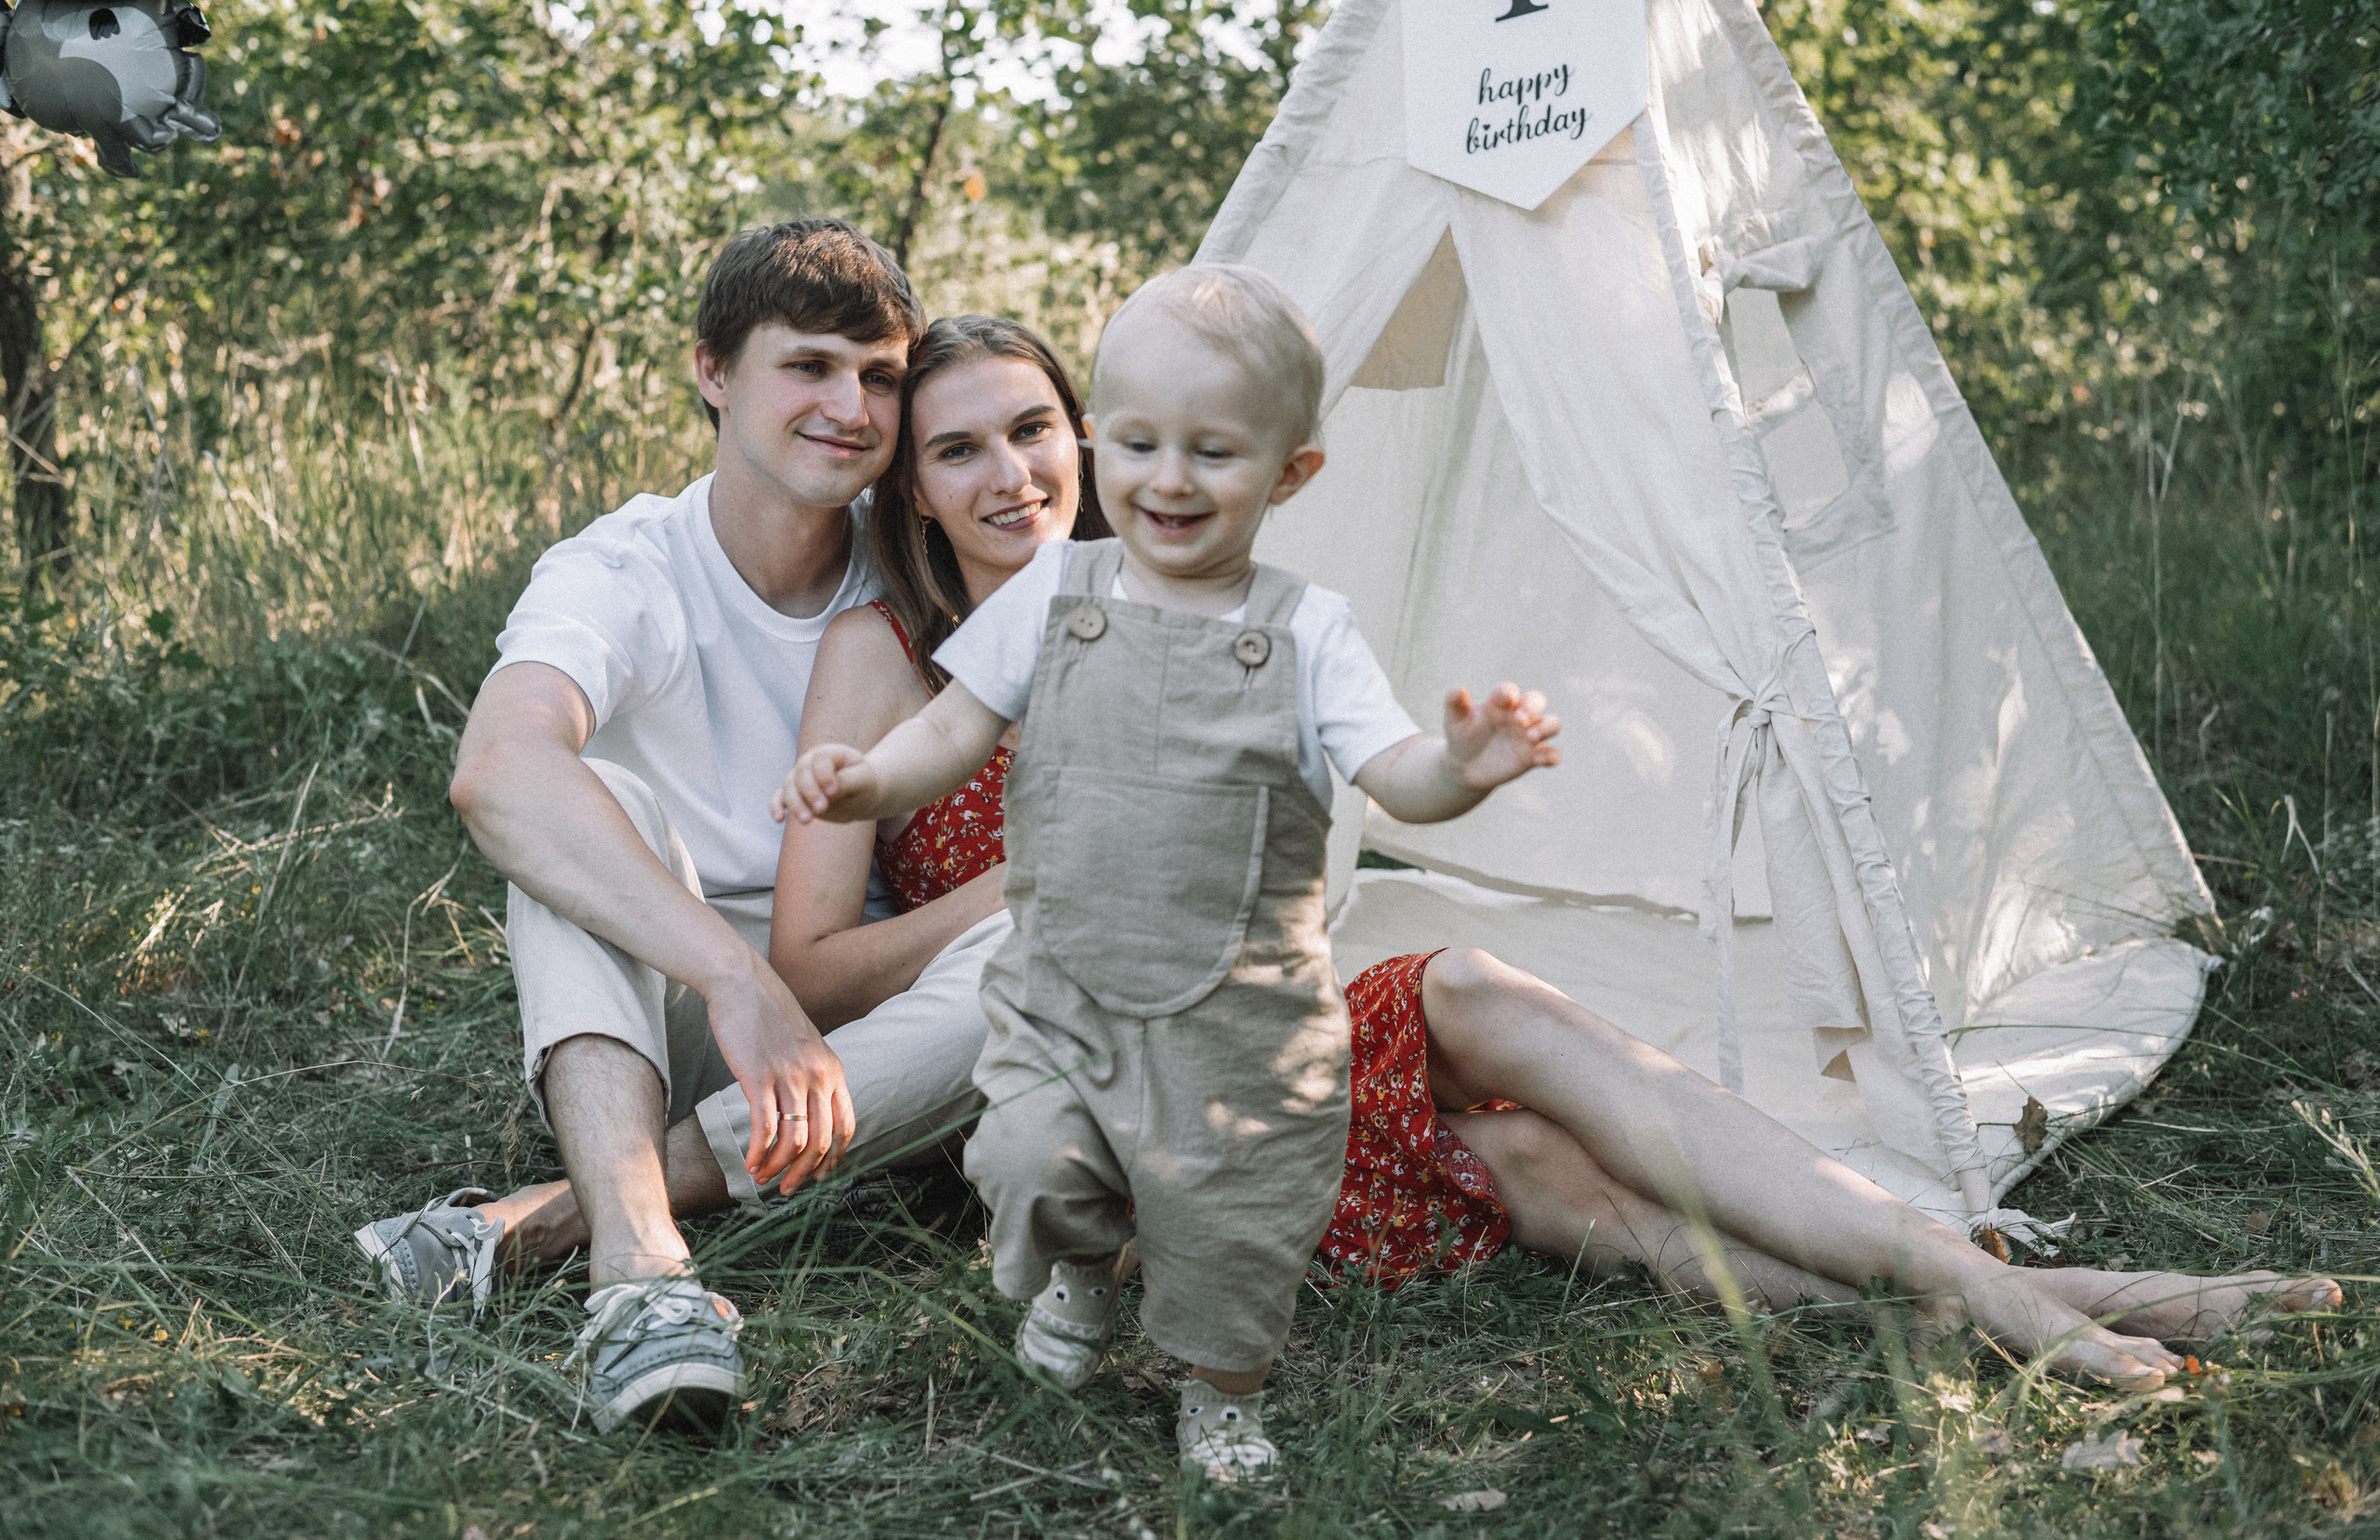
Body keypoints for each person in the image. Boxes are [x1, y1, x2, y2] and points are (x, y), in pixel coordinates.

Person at [770, 312, 2341, 1451]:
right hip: (1118, 1107)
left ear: (1086, 438)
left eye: (1032, 429)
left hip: (1258, 1030)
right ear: (913, 490)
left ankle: (1999, 1285)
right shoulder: (894, 657)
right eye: (957, 449)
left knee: (1466, 985)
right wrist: (1034, 878)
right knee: (1538, 1171)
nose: (1010, 473)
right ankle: (2021, 1296)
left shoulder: (1223, 608)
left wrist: (1451, 768)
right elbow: (818, 969)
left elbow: (1356, 784)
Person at [779, 265, 1564, 1481]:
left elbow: (1393, 769)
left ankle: (1223, 1394)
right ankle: (1081, 1269)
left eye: (1216, 453)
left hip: (1241, 1011)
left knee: (1230, 1226)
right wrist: (865, 781)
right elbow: (953, 728)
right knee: (1029, 1157)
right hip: (1069, 992)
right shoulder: (1054, 592)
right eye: (1142, 445)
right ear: (1105, 444)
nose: (1173, 479)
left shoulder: (1308, 630)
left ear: (1291, 473)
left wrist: (1461, 768)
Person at [346, 220, 1008, 1437]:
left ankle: (553, 1217)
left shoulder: (922, 554)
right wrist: (731, 974)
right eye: (807, 366)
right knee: (587, 801)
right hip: (681, 1010)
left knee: (1041, 944)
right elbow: (495, 768)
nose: (849, 407)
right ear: (714, 371)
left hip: (886, 1025)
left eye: (878, 376)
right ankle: (644, 1283)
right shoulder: (626, 567)